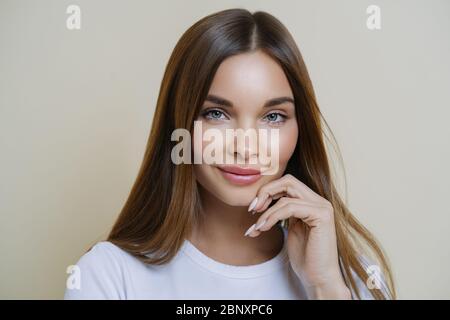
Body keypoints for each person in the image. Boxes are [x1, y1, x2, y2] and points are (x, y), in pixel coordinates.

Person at [65, 8, 396, 300]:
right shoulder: (108, 276)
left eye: (273, 117)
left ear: (300, 130)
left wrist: (324, 288)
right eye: (216, 114)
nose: (244, 146)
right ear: (178, 126)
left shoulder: (351, 278)